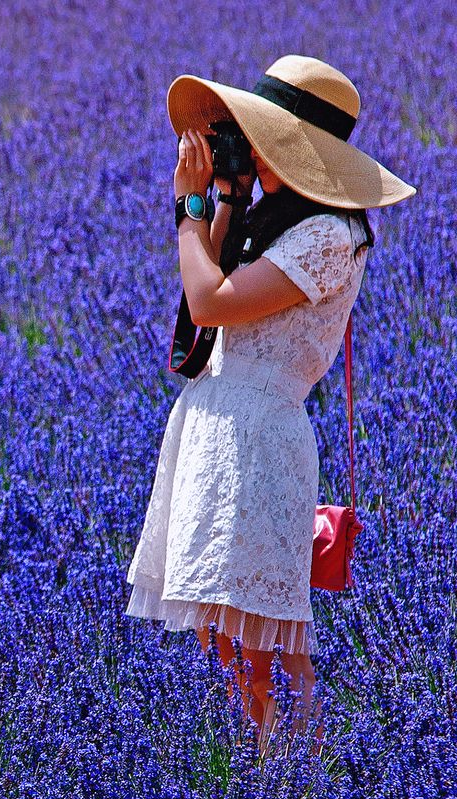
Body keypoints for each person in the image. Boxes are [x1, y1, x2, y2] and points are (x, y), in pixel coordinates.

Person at [124, 55, 416, 757]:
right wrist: (225, 200)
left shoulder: (328, 237)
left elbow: (209, 301)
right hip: (213, 430)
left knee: (266, 644)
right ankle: (262, 786)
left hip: (257, 442)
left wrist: (186, 210)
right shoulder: (273, 220)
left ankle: (300, 787)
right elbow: (210, 316)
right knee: (219, 634)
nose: (240, 147)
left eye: (252, 136)